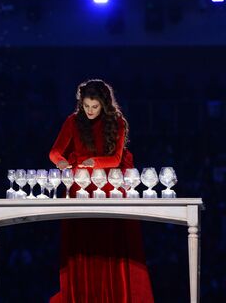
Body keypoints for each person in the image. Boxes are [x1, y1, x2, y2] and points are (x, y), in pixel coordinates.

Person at [49, 79, 154, 303]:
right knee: (82, 242)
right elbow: (55, 151)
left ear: (104, 105)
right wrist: (60, 161)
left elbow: (115, 159)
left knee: (111, 244)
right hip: (81, 183)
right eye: (86, 106)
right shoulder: (73, 121)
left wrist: (90, 162)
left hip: (110, 183)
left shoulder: (117, 122)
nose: (89, 111)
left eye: (94, 107)